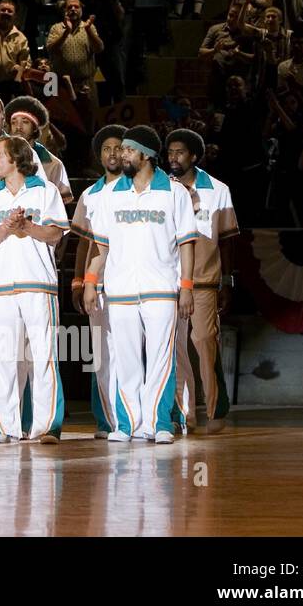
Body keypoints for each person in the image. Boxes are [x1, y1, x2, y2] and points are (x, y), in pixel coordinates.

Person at [83, 126, 200, 444]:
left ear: (146, 154)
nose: (121, 155)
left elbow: (187, 244)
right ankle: (127, 424)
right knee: (126, 360)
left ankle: (158, 423)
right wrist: (91, 281)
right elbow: (101, 247)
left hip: (161, 288)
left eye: (128, 150)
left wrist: (186, 286)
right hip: (120, 290)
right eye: (122, 149)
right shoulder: (110, 195)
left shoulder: (174, 192)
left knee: (161, 361)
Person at [0, 135, 69, 443]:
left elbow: (55, 234)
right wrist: (6, 227)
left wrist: (26, 227)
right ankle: (4, 426)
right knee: (4, 359)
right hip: (1, 288)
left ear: (16, 158)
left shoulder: (45, 190)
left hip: (38, 285)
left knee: (43, 357)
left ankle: (46, 426)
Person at [165, 129, 238, 435]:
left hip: (204, 280)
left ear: (194, 156)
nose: (173, 158)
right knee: (173, 348)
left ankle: (215, 410)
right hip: (169, 281)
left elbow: (228, 240)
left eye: (180, 152)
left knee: (205, 342)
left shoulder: (217, 190)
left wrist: (227, 280)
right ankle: (183, 415)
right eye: (170, 152)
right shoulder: (161, 188)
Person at [68, 124, 127, 438]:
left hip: (130, 282)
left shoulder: (137, 189)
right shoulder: (90, 194)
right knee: (102, 354)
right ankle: (106, 420)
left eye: (118, 147)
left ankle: (137, 418)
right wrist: (79, 281)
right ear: (99, 155)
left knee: (131, 352)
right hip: (98, 284)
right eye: (106, 149)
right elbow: (82, 242)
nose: (112, 153)